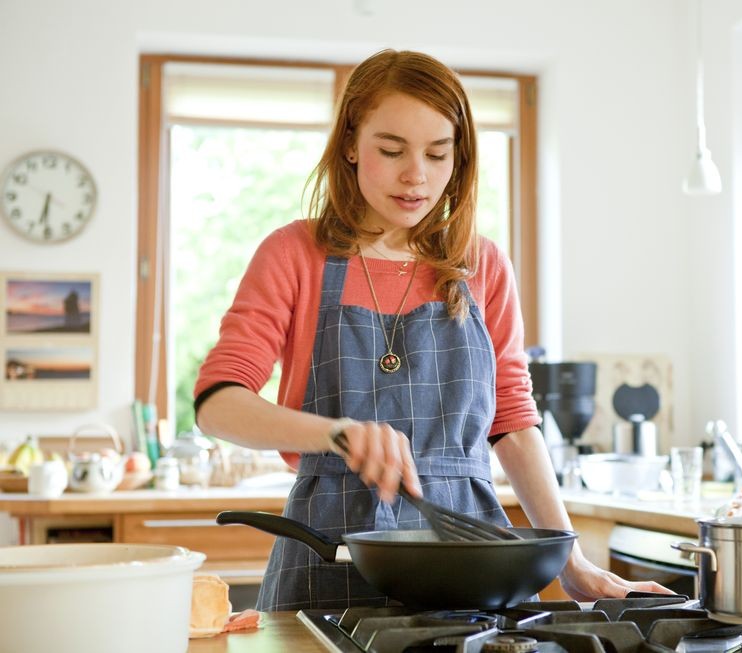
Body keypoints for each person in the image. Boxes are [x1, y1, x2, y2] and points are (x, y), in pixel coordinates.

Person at [194, 49, 670, 610]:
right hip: (329, 552)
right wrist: (336, 434)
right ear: (350, 144)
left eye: (437, 153)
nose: (416, 175)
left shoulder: (482, 264)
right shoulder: (295, 253)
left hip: (469, 555)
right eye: (391, 150)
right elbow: (218, 405)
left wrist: (570, 560)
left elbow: (512, 420)